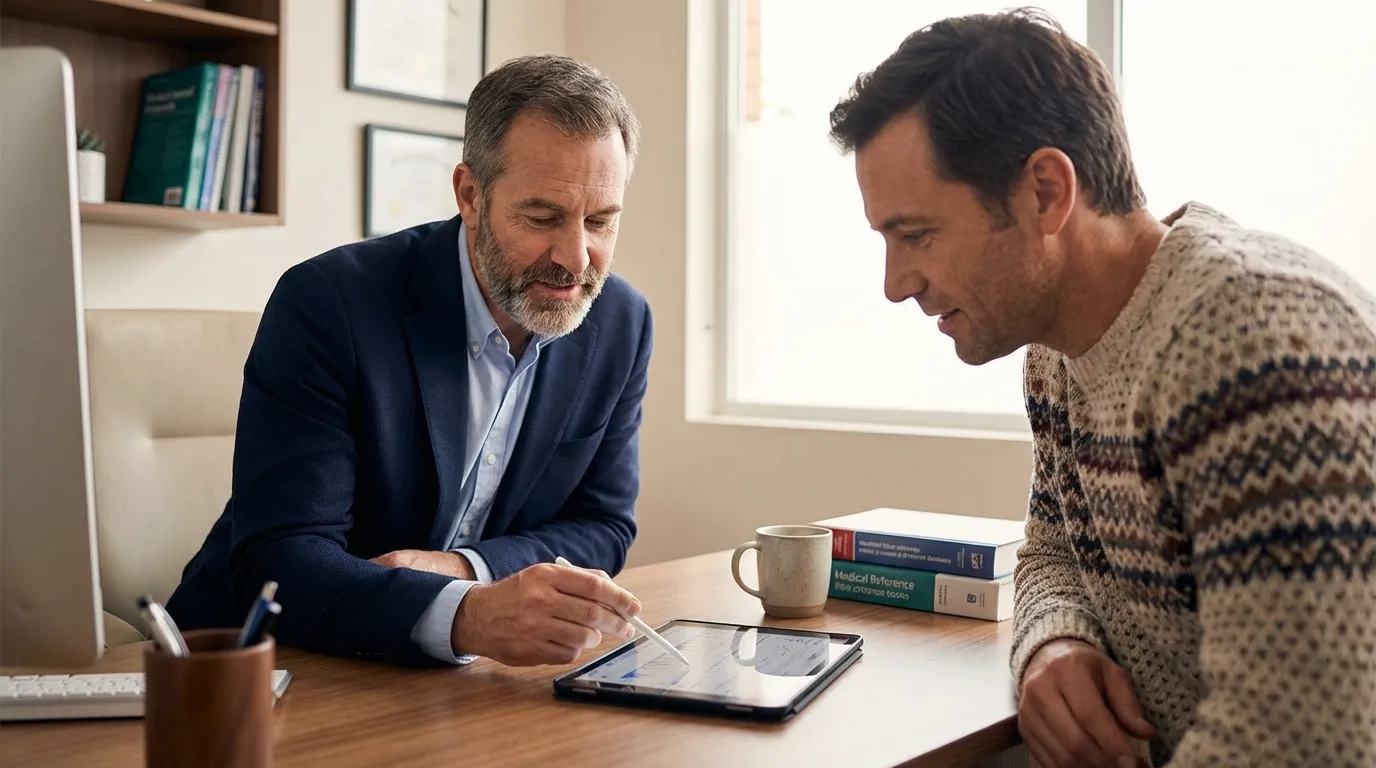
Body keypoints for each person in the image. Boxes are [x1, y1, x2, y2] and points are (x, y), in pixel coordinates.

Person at [826, 8, 1375, 768]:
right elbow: (1051, 550)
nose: (896, 285)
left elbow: (1300, 742)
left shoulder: (1252, 342)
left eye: (916, 235)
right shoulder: (1059, 354)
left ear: (1047, 191)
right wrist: (1054, 644)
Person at [167, 54, 654, 669]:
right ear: (470, 194)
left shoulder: (621, 323)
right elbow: (281, 559)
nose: (576, 257)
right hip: (254, 666)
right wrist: (471, 614)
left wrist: (467, 573)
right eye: (542, 218)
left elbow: (603, 526)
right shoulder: (329, 304)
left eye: (601, 222)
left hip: (442, 685)